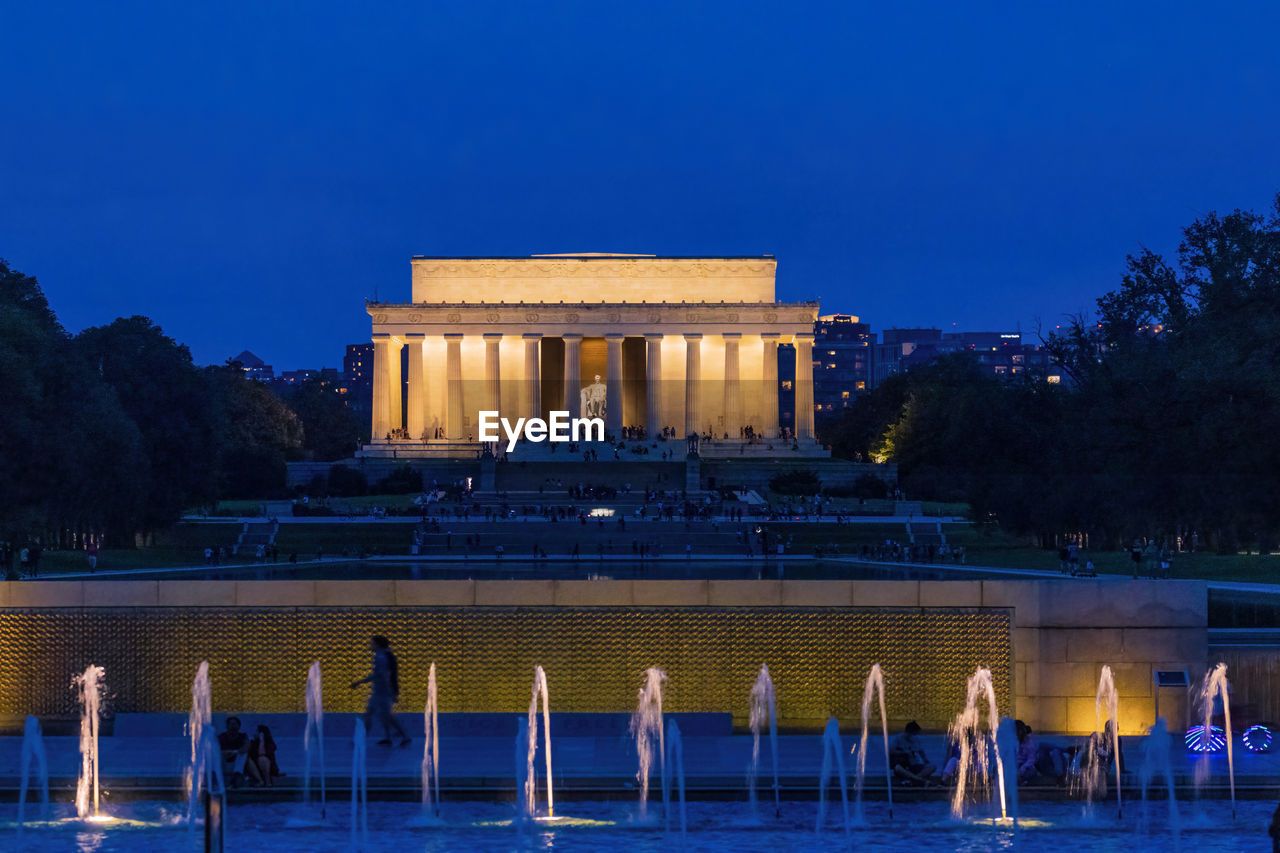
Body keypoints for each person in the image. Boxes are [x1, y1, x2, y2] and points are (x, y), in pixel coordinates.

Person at [350, 635, 411, 747]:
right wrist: (360, 682)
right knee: (385, 716)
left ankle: (362, 739)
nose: (370, 645)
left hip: (382, 692)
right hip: (381, 691)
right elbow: (378, 674)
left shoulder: (381, 657)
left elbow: (384, 675)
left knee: (372, 714)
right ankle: (391, 737)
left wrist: (391, 693)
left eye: (372, 643)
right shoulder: (384, 655)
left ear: (377, 644)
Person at [889, 721, 937, 786]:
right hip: (903, 765)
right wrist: (904, 752)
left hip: (913, 764)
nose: (915, 736)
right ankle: (921, 780)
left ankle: (911, 780)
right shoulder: (897, 738)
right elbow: (891, 751)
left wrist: (925, 760)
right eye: (914, 733)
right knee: (897, 768)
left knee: (933, 767)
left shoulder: (915, 739)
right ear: (910, 732)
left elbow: (921, 751)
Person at [217, 716, 250, 786]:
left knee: (243, 755)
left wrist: (234, 752)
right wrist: (226, 753)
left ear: (239, 726)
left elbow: (246, 748)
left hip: (236, 762)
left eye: (235, 724)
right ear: (227, 726)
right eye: (231, 724)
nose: (233, 726)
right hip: (224, 761)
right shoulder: (221, 737)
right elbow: (215, 750)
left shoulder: (243, 736)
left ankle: (236, 776)